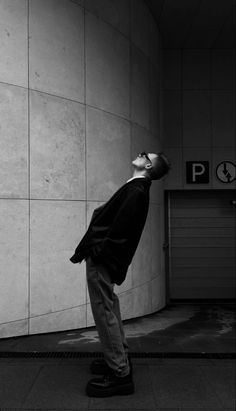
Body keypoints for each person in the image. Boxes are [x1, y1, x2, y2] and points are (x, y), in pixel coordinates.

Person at [70, 151, 170, 397]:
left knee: (104, 311)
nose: (139, 153)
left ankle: (119, 374)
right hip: (105, 259)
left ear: (147, 165)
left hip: (103, 260)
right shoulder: (135, 187)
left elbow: (121, 232)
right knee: (109, 308)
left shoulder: (136, 191)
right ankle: (117, 358)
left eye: (145, 154)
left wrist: (97, 252)